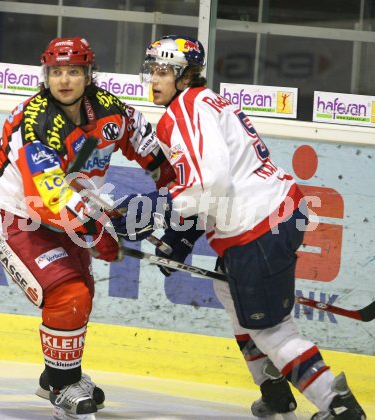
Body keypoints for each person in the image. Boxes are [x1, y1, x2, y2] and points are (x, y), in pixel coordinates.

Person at [118, 34, 366, 419]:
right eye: (152, 70)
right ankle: (275, 392)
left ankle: (338, 406)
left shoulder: (184, 111)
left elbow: (209, 183)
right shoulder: (207, 102)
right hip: (278, 211)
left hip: (260, 226)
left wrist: (150, 209)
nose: (154, 79)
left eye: (164, 71)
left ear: (186, 76)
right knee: (229, 291)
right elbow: (215, 181)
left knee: (272, 331)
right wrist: (182, 236)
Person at [0, 36, 173, 420]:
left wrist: (176, 204)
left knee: (81, 296)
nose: (64, 80)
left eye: (74, 71)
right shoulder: (35, 122)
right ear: (46, 75)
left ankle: (57, 375)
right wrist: (99, 230)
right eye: (56, 72)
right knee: (67, 293)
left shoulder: (112, 110)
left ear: (89, 74)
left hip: (67, 214)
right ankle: (64, 385)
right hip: (13, 214)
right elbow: (46, 197)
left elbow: (157, 158)